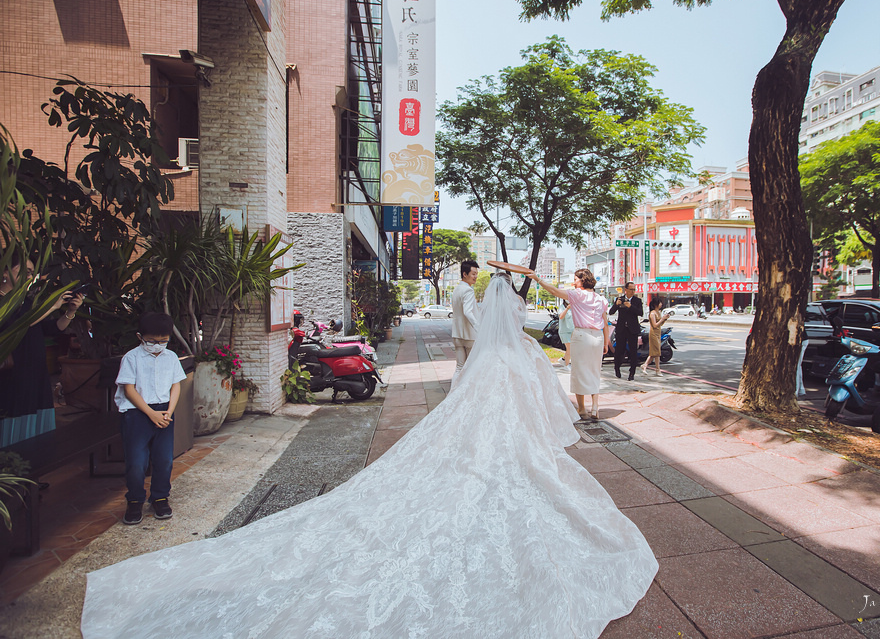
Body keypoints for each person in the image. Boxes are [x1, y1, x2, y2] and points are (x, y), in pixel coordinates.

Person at [81, 272, 657, 638]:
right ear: (519, 315)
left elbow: (463, 403)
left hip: (471, 446)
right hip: (513, 449)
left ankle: (147, 502)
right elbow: (542, 413)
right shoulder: (529, 356)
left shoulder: (483, 360)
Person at [0, 254, 83, 447]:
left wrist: (70, 311)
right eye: (25, 271)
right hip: (12, 373)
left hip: (35, 371)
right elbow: (20, 324)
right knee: (13, 415)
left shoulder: (28, 302)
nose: (30, 276)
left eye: (32, 272)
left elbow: (53, 328)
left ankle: (34, 469)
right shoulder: (3, 302)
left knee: (36, 420)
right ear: (5, 272)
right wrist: (52, 305)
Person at [113, 312, 186, 526]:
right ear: (140, 336)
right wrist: (150, 413)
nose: (158, 345)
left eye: (163, 341)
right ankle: (135, 499)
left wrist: (169, 412)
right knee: (137, 462)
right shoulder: (131, 358)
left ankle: (160, 497)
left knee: (164, 460)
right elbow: (129, 389)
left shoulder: (171, 357)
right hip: (137, 413)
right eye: (152, 341)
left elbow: (176, 385)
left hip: (164, 412)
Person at [529, 269, 608, 420]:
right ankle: (595, 407)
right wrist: (606, 342)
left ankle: (582, 409)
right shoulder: (601, 299)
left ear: (583, 280)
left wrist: (538, 280)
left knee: (579, 371)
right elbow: (604, 322)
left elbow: (554, 291)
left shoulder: (577, 295)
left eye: (576, 280)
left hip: (581, 335)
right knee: (595, 370)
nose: (574, 282)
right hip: (597, 337)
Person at [450, 259, 479, 381]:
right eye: (473, 274)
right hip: (469, 336)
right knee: (471, 368)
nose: (475, 277)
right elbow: (468, 312)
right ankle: (466, 397)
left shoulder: (456, 289)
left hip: (457, 334)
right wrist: (479, 328)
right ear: (464, 274)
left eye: (476, 274)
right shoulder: (468, 290)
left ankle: (454, 394)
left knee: (459, 367)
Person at [609, 282, 644, 381]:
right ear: (626, 289)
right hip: (621, 329)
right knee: (619, 351)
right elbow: (611, 312)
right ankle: (617, 368)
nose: (632, 291)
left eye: (634, 289)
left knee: (633, 351)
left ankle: (632, 373)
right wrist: (616, 305)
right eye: (631, 289)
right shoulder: (619, 299)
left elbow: (640, 313)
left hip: (632, 330)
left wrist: (630, 306)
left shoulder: (637, 301)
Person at [641, 298, 671, 378]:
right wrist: (662, 319)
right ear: (655, 304)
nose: (661, 304)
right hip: (653, 334)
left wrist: (664, 319)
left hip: (658, 333)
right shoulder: (652, 313)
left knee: (655, 352)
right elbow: (654, 325)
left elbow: (660, 324)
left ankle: (645, 365)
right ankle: (657, 369)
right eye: (659, 303)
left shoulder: (658, 312)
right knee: (656, 352)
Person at [556, 300, 574, 367]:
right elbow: (561, 316)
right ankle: (566, 365)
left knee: (571, 349)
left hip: (573, 330)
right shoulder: (562, 307)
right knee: (570, 349)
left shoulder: (574, 307)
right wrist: (567, 308)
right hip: (565, 331)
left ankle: (563, 359)